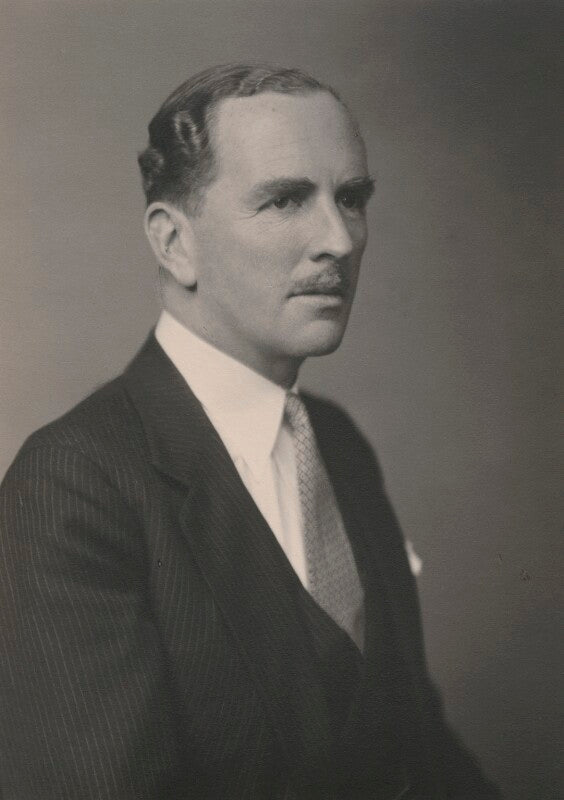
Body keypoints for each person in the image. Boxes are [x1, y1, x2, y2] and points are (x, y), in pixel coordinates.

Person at [0, 64, 501, 799]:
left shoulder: (338, 445)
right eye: (285, 199)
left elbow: (414, 746)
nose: (339, 239)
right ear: (174, 243)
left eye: (351, 198)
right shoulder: (74, 487)